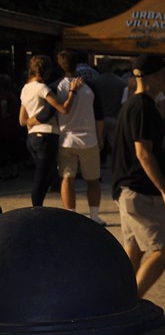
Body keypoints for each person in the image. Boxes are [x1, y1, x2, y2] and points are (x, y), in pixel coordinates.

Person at [112, 54, 165, 298]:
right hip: (140, 190)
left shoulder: (131, 105)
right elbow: (143, 152)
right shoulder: (143, 106)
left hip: (126, 188)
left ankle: (118, 304)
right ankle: (131, 305)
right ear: (155, 77)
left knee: (133, 251)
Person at [19, 55, 82, 206]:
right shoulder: (43, 88)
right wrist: (72, 92)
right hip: (46, 135)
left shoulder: (25, 89)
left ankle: (38, 205)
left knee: (45, 175)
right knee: (41, 177)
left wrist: (30, 121)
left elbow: (22, 120)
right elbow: (63, 109)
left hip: (32, 137)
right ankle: (36, 207)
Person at [54, 50, 105, 224]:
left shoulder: (57, 86)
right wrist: (101, 138)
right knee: (93, 180)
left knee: (67, 178)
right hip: (89, 139)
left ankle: (71, 215)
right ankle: (94, 215)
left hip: (66, 138)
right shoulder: (89, 87)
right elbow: (99, 116)